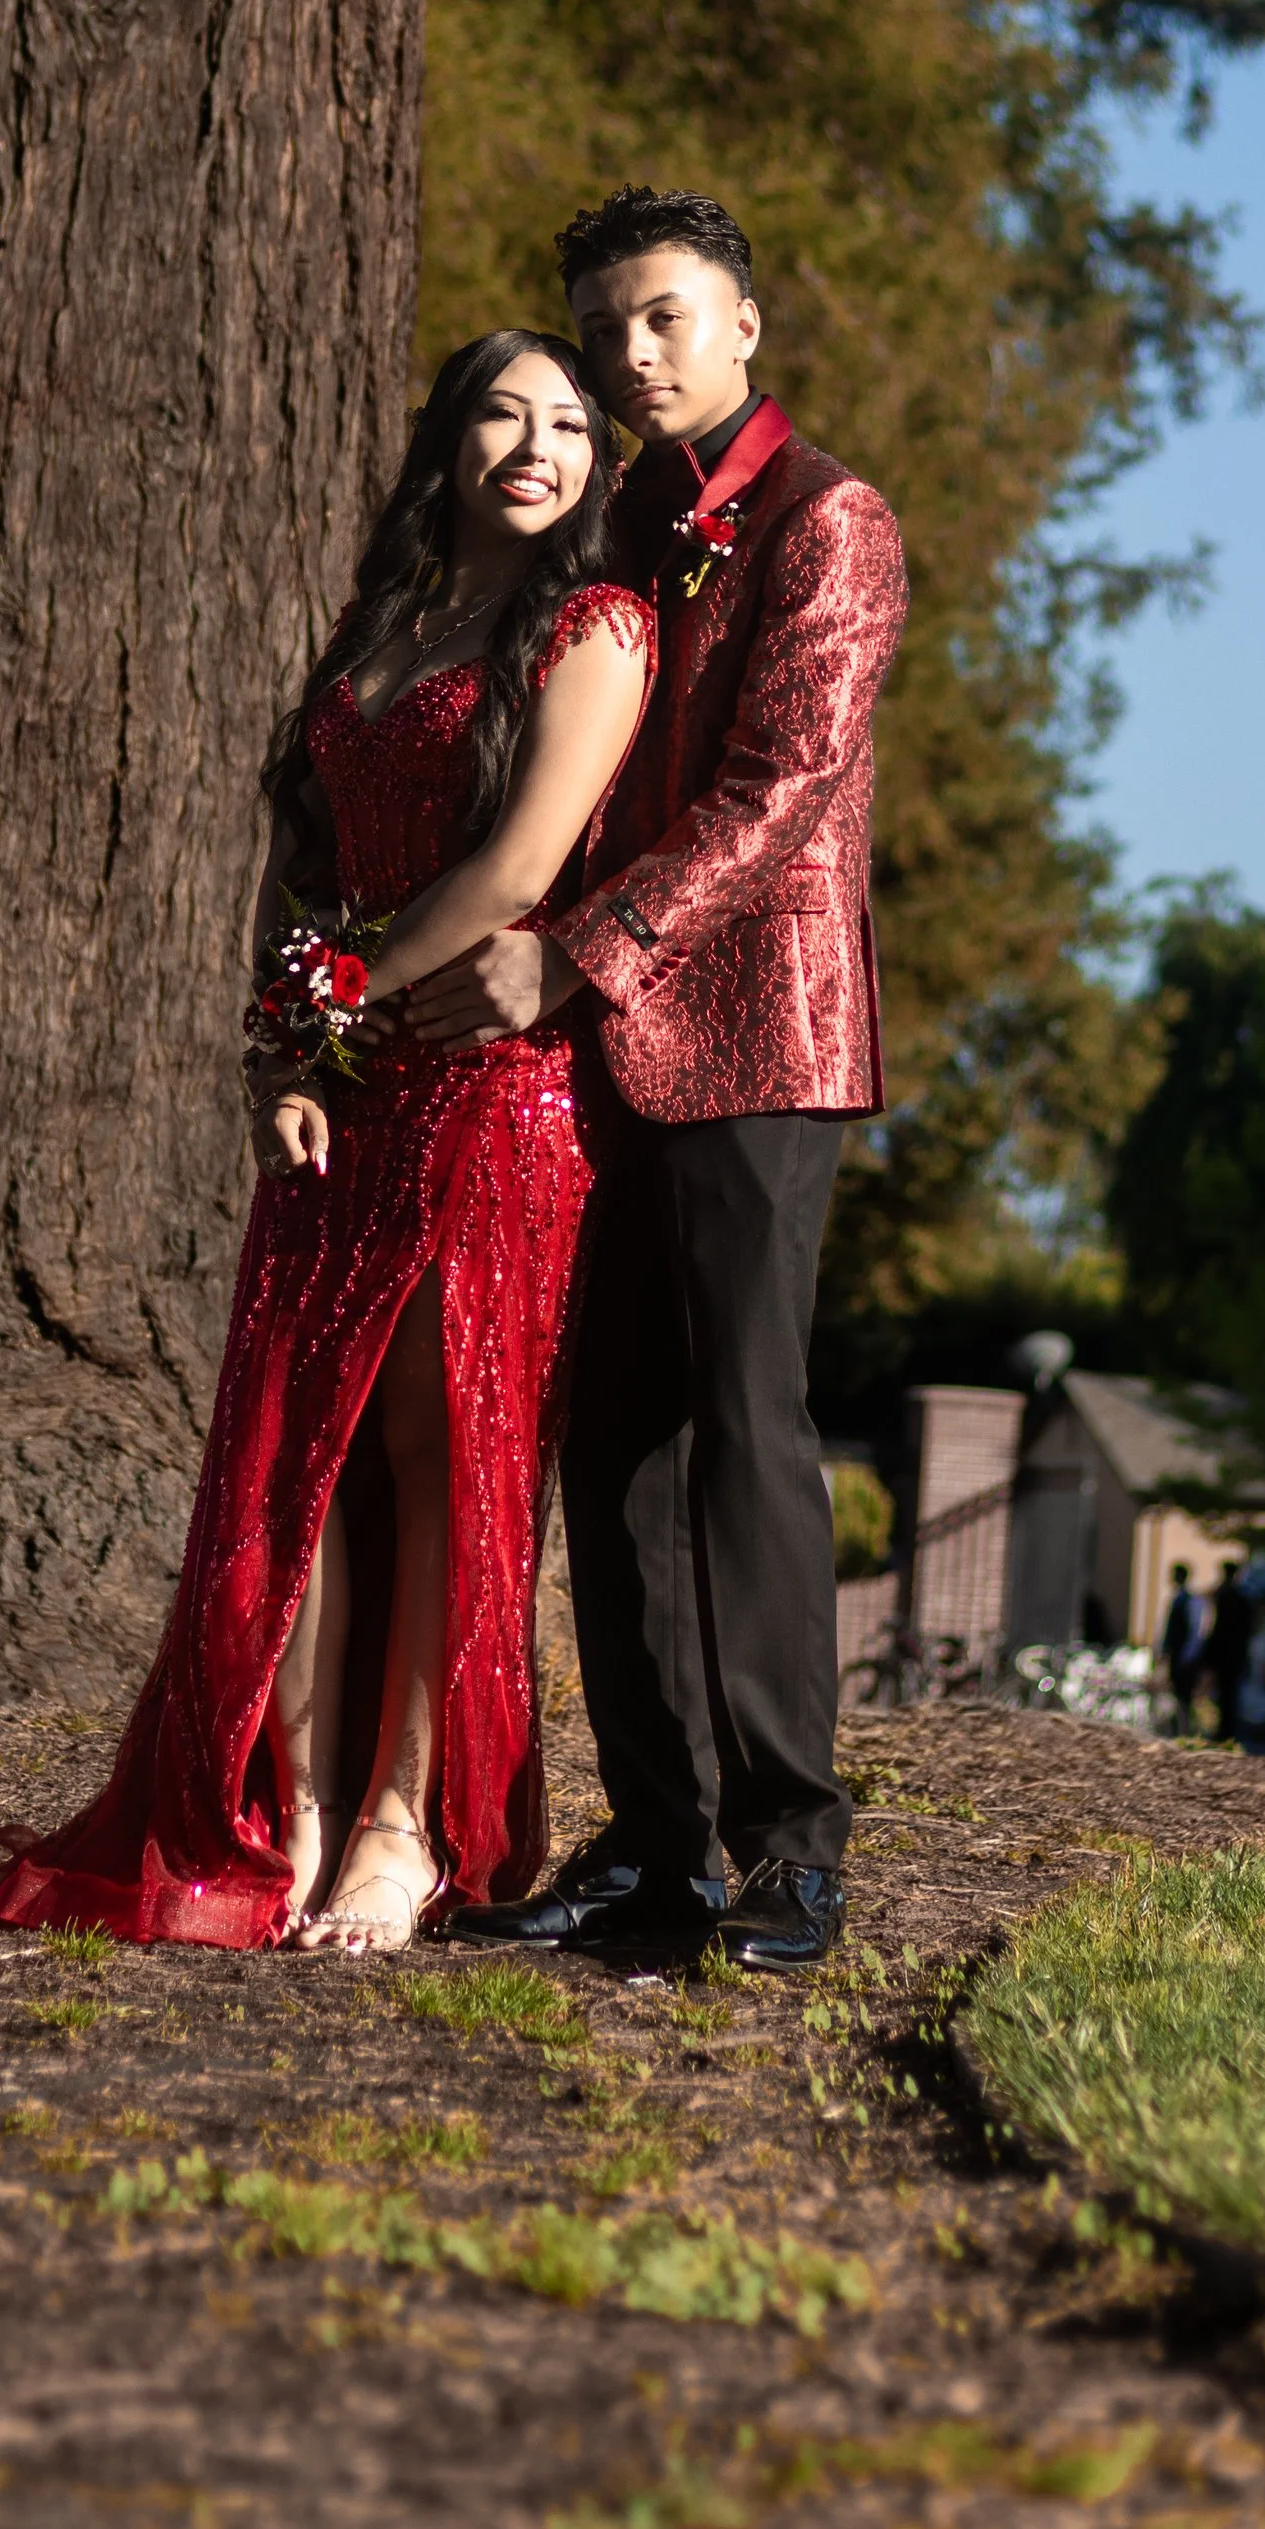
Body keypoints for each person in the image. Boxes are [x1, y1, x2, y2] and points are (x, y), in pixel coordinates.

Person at [0, 330, 653, 1953]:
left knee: (434, 1455)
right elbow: (299, 865)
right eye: (502, 413)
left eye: (569, 424)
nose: (538, 443)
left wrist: (328, 1019)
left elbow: (516, 872)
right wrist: (280, 1049)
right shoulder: (384, 627)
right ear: (446, 442)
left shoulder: (596, 625)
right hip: (339, 1079)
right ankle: (293, 1814)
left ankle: (401, 1828)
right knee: (300, 1460)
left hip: (483, 1081)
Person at [424, 187, 908, 1975]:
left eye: (667, 316)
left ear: (745, 322)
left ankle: (794, 1845)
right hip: (595, 1046)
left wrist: (584, 948)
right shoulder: (628, 510)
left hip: (762, 1033)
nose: (634, 352)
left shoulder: (830, 520)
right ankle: (658, 1841)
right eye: (609, 324)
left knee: (750, 1437)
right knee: (608, 1437)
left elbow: (782, 788)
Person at [1203, 1557, 1254, 1745]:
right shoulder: (1242, 1597)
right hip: (1234, 1654)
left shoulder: (1226, 1596)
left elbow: (1215, 1628)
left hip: (1225, 1653)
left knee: (1225, 1694)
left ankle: (1225, 1731)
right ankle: (1228, 1730)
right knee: (1229, 1694)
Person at [1158, 1562, 1211, 1735]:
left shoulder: (1191, 1600)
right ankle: (1179, 1729)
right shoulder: (1178, 1598)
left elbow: (1196, 1631)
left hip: (1185, 1657)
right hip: (1177, 1655)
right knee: (1176, 1694)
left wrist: (1188, 1656)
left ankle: (1188, 1730)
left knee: (1184, 1696)